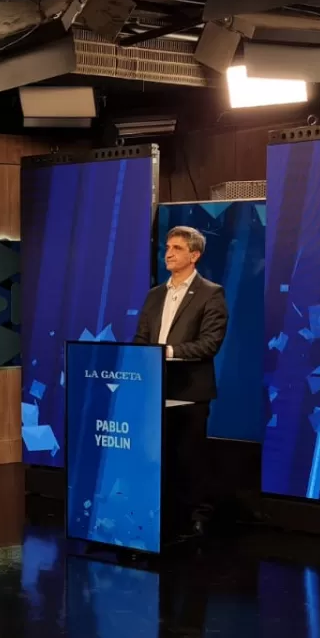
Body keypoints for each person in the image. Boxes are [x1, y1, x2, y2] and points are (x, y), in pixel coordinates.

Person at [133, 226, 229, 537]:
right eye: (167, 247)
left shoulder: (211, 293)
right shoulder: (155, 295)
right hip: (153, 389)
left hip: (188, 392)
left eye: (176, 248)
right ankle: (157, 514)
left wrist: (167, 351)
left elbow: (209, 344)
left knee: (189, 459)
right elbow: (141, 338)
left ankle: (197, 517)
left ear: (194, 255)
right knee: (153, 457)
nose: (168, 253)